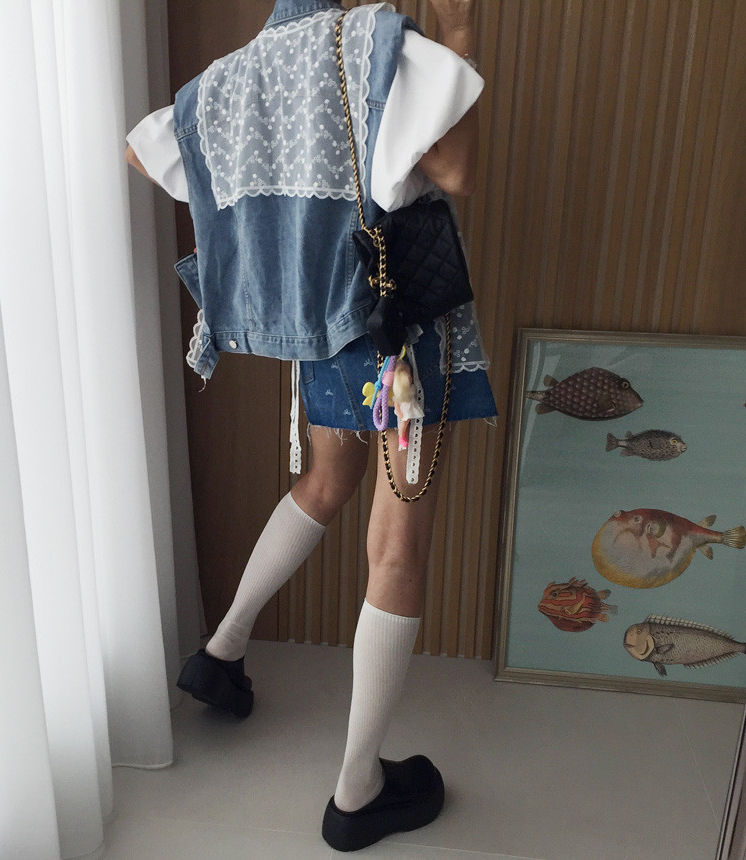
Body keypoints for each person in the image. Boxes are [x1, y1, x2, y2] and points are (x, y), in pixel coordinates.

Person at [126, 0, 496, 851]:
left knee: (328, 479)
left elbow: (142, 152)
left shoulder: (237, 74)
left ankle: (222, 651)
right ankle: (358, 791)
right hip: (399, 328)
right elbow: (457, 170)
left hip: (322, 327)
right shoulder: (380, 44)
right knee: (395, 546)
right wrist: (461, 35)